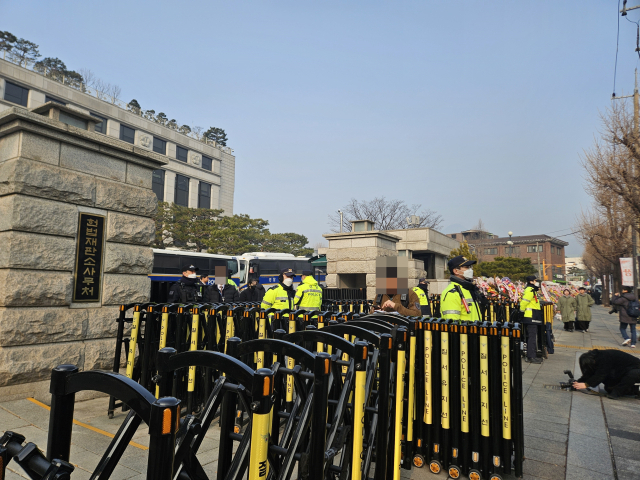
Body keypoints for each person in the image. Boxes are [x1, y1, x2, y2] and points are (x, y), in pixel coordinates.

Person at [572, 349, 640, 399]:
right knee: (609, 388)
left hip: (637, 370)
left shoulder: (605, 357)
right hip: (623, 372)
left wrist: (586, 384)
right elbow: (590, 373)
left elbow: (601, 374)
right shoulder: (596, 358)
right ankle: (635, 390)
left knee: (633, 374)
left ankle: (617, 393)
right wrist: (578, 382)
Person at [440, 256, 482, 323]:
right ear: (456, 271)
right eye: (466, 267)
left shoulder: (468, 289)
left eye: (470, 267)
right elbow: (452, 324)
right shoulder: (452, 293)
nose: (470, 270)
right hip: (465, 333)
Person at [520, 275, 543, 364]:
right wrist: (521, 311)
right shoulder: (530, 290)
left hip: (534, 316)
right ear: (531, 281)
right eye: (535, 280)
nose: (536, 282)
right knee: (532, 337)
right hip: (530, 316)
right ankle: (531, 356)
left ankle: (532, 355)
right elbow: (524, 302)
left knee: (533, 336)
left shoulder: (533, 290)